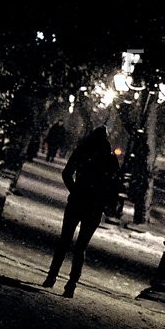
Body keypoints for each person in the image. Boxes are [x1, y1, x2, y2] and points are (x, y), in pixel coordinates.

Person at [43, 125, 123, 297]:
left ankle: (51, 277)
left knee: (64, 241)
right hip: (95, 207)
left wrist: (75, 190)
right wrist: (107, 204)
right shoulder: (110, 159)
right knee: (81, 247)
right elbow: (114, 186)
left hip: (77, 202)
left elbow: (66, 173)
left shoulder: (82, 152)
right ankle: (71, 285)